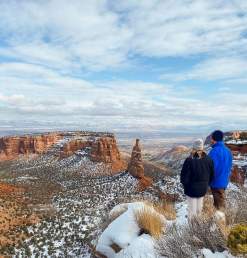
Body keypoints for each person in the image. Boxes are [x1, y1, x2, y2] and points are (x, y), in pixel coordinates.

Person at [180, 139, 214, 219]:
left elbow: (184, 176)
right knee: (199, 209)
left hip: (191, 189)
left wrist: (185, 185)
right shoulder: (209, 159)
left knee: (192, 211)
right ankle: (199, 227)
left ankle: (192, 228)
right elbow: (212, 175)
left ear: (194, 148)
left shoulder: (189, 160)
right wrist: (206, 184)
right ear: (202, 148)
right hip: (203, 189)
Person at [209, 130, 233, 211]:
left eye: (211, 138)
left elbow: (210, 168)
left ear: (214, 139)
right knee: (220, 203)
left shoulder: (214, 152)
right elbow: (229, 166)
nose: (210, 140)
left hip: (216, 182)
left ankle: (221, 222)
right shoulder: (228, 151)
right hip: (224, 181)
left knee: (219, 207)